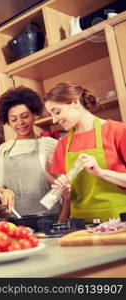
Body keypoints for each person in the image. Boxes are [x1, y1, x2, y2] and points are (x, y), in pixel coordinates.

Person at [44, 82, 126, 223]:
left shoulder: (118, 131)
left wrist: (101, 172)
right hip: (81, 225)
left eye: (57, 112)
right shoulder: (62, 145)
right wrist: (65, 193)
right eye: (51, 115)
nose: (54, 120)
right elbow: (67, 199)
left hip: (119, 220)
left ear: (75, 102)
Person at [0, 86, 60, 216]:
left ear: (34, 115)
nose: (20, 122)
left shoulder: (50, 144)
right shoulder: (4, 149)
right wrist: (3, 192)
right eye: (14, 119)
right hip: (17, 219)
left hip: (50, 217)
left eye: (24, 116)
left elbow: (63, 186)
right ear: (8, 122)